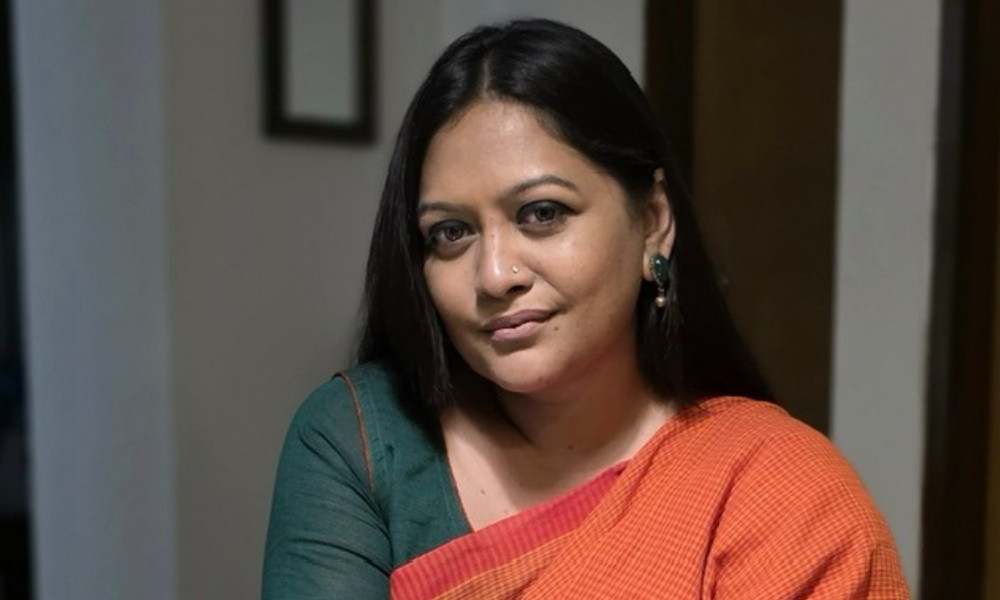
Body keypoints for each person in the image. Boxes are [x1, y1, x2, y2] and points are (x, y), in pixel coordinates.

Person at [262, 18, 909, 599]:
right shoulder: (359, 439)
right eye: (450, 232)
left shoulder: (773, 490)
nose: (495, 275)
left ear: (653, 220)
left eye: (542, 213)